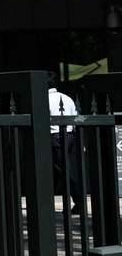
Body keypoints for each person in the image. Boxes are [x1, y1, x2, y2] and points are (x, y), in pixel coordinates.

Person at [49, 82, 85, 214]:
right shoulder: (67, 98)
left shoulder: (45, 99)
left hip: (55, 136)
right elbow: (76, 117)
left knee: (63, 169)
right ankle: (77, 199)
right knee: (65, 167)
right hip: (69, 135)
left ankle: (79, 200)